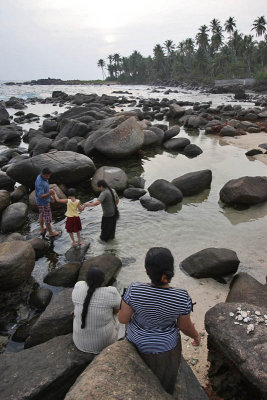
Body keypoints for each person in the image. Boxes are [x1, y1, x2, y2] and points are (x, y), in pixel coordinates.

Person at [118, 247, 201, 395]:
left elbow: (123, 319)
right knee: (165, 384)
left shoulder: (134, 290)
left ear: (147, 271)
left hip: (135, 342)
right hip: (165, 347)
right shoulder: (181, 297)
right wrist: (196, 336)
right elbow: (184, 327)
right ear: (171, 270)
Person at [72, 267, 122, 354]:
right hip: (104, 344)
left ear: (86, 281)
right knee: (118, 315)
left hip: (79, 343)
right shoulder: (111, 292)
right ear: (103, 282)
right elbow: (117, 310)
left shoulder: (78, 286)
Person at [35, 168, 59, 237]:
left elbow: (45, 190)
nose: (48, 177)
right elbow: (41, 195)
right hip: (43, 203)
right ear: (43, 174)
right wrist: (50, 194)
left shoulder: (40, 176)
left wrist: (50, 196)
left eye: (49, 175)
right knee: (47, 218)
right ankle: (51, 233)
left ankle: (42, 227)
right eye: (47, 176)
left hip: (39, 202)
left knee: (41, 214)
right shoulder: (40, 183)